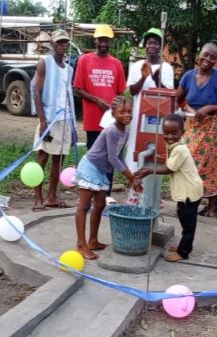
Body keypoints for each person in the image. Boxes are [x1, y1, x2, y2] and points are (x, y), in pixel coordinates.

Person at [73, 96, 136, 260]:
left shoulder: (125, 132)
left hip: (101, 171)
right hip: (90, 167)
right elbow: (112, 158)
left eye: (129, 111)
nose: (126, 115)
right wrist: (130, 176)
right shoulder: (111, 130)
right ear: (113, 113)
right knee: (84, 206)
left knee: (100, 205)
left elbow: (119, 155)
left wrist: (131, 175)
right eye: (122, 112)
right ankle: (81, 244)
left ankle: (93, 240)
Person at [177, 42, 217, 217]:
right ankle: (185, 199)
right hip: (192, 124)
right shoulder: (188, 76)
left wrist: (209, 108)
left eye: (212, 57)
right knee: (187, 161)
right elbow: (177, 97)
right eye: (205, 54)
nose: (207, 59)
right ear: (199, 54)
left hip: (212, 127)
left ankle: (210, 206)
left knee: (210, 165)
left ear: (216, 60)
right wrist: (185, 108)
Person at [136, 114, 203, 262]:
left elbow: (169, 169)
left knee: (188, 224)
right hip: (187, 191)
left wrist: (149, 170)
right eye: (166, 132)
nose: (169, 136)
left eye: (174, 133)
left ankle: (183, 252)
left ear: (182, 132)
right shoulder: (174, 145)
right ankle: (183, 247)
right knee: (183, 217)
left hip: (189, 192)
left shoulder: (180, 149)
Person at [73, 24, 126, 204]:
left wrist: (118, 112)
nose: (103, 43)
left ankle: (106, 195)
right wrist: (97, 100)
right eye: (100, 39)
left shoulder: (116, 63)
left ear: (110, 42)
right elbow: (77, 89)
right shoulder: (84, 60)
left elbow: (120, 93)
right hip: (93, 120)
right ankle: (91, 193)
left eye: (106, 40)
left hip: (111, 123)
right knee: (94, 159)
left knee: (111, 157)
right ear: (95, 40)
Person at [31, 29, 75, 211]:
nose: (63, 45)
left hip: (64, 120)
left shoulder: (69, 68)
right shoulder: (45, 63)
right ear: (53, 44)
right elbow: (36, 93)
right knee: (42, 157)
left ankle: (51, 197)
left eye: (65, 42)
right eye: (60, 42)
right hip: (48, 120)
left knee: (59, 160)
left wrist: (72, 126)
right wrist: (43, 122)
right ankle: (38, 198)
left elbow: (68, 95)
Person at [125, 27, 174, 171]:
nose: (152, 46)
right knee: (137, 147)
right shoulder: (137, 66)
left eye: (155, 43)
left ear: (161, 47)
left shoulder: (167, 68)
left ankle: (151, 183)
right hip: (139, 117)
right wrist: (143, 77)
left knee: (156, 148)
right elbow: (132, 91)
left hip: (159, 116)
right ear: (145, 45)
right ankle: (135, 187)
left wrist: (157, 80)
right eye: (149, 43)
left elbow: (170, 94)